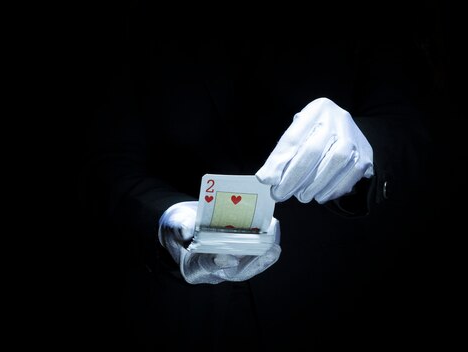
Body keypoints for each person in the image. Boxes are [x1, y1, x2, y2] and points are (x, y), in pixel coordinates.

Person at [82, 3, 436, 350]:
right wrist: (164, 214)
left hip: (341, 302)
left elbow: (423, 125)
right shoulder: (136, 21)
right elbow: (106, 156)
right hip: (178, 316)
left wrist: (368, 143)